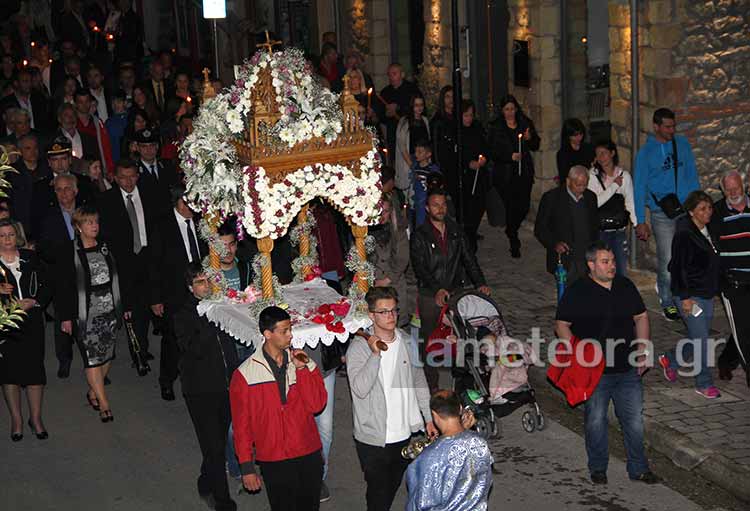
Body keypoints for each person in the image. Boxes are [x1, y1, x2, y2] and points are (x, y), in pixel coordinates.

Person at [555, 240, 658, 485]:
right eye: (605, 261)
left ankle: (639, 469)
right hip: (595, 372)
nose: (611, 266)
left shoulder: (625, 286)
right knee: (596, 420)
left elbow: (641, 316)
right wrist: (579, 353)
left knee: (633, 421)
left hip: (627, 368)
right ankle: (598, 468)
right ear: (591, 265)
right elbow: (561, 325)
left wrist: (643, 348)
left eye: (612, 261)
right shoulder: (578, 290)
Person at [347, 286, 436, 511]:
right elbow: (359, 389)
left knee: (394, 484)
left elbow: (418, 381)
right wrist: (375, 355)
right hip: (373, 437)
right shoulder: (358, 349)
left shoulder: (406, 341)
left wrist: (428, 418)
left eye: (393, 310)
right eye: (383, 312)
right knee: (378, 493)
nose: (390, 316)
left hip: (404, 433)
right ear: (371, 315)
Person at [230, 306, 327, 510]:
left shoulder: (304, 364)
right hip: (273, 458)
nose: (291, 336)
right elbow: (241, 426)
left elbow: (316, 405)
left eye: (290, 329)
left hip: (307, 451)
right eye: (284, 331)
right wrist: (247, 467)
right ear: (268, 334)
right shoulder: (245, 375)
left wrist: (303, 370)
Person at [173, 263, 239, 511]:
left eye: (207, 280)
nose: (206, 285)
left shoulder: (219, 306)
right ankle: (222, 500)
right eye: (200, 282)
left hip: (226, 386)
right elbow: (193, 348)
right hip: (200, 390)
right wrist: (210, 317)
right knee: (212, 445)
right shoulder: (183, 315)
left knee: (218, 442)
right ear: (190, 288)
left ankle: (205, 478)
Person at [410, 189, 490, 393]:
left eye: (443, 204)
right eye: (435, 205)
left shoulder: (456, 231)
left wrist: (480, 282)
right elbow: (420, 268)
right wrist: (436, 289)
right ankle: (432, 386)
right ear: (427, 208)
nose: (440, 208)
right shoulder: (420, 235)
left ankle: (463, 383)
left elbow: (469, 259)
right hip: (430, 294)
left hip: (455, 292)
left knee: (462, 337)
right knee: (429, 339)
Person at [57, 205, 126, 423]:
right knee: (92, 359)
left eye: (96, 221)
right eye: (88, 222)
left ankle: (93, 391)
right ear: (78, 226)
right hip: (85, 314)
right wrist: (66, 317)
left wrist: (123, 306)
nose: (94, 226)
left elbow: (119, 275)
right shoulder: (69, 251)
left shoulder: (106, 246)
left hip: (109, 309)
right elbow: (63, 287)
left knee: (107, 355)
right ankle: (104, 404)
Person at [633, 108, 700, 321]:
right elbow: (639, 187)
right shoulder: (645, 154)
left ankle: (684, 294)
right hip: (662, 213)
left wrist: (697, 206)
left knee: (688, 256)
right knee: (668, 259)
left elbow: (692, 174)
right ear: (656, 127)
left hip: (685, 209)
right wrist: (640, 221)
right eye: (667, 127)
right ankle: (666, 299)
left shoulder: (681, 144)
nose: (672, 130)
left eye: (673, 126)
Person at [657, 191, 722, 399]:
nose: (708, 212)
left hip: (706, 292)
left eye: (709, 208)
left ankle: (671, 359)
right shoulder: (684, 233)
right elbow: (678, 268)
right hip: (689, 294)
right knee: (702, 340)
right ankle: (704, 383)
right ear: (692, 211)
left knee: (697, 337)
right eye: (702, 209)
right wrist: (684, 298)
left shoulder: (709, 228)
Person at [98, 159, 159, 376]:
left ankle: (142, 347)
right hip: (123, 262)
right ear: (114, 178)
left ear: (138, 175)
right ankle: (139, 352)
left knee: (149, 304)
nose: (128, 182)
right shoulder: (106, 200)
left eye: (132, 176)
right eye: (122, 177)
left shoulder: (150, 195)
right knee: (132, 309)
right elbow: (104, 235)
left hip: (148, 258)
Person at [148, 184, 208, 400]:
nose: (194, 207)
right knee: (172, 339)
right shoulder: (162, 226)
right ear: (178, 202)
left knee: (199, 334)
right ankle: (167, 380)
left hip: (202, 289)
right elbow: (153, 264)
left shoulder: (202, 222)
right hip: (174, 292)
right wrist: (155, 298)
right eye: (189, 202)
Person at [0, 219, 52, 441]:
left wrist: (36, 302)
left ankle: (36, 418)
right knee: (9, 373)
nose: (7, 239)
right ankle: (17, 420)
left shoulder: (30, 257)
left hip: (31, 322)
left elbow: (48, 284)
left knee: (34, 372)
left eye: (10, 234)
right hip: (6, 323)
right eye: (2, 235)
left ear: (17, 235)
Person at [405, 390, 493, 511]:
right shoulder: (480, 443)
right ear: (460, 408)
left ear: (434, 414)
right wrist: (464, 429)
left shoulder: (429, 458)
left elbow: (420, 501)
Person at [488, 94, 540, 258]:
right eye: (506, 110)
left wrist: (530, 139)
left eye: (512, 109)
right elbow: (492, 150)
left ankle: (511, 229)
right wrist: (509, 156)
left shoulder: (524, 123)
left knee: (523, 206)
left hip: (523, 171)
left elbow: (535, 144)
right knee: (511, 206)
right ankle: (513, 240)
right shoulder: (496, 127)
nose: (510, 113)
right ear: (502, 111)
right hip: (505, 174)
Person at [711, 171, 750, 387]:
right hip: (733, 280)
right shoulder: (717, 212)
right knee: (743, 330)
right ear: (723, 190)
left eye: (737, 187)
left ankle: (726, 361)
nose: (734, 192)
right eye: (729, 189)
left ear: (744, 185)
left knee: (745, 327)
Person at [535, 165, 599, 286]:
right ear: (568, 181)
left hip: (586, 258)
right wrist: (554, 243)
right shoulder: (552, 198)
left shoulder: (591, 197)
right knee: (567, 297)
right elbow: (540, 229)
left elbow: (594, 227)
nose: (581, 188)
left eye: (584, 185)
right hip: (565, 259)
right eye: (578, 185)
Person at [587, 140, 636, 276]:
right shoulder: (593, 176)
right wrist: (614, 186)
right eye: (598, 154)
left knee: (620, 268)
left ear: (612, 153)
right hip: (601, 231)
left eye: (604, 153)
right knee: (602, 270)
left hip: (619, 230)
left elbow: (630, 202)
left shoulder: (624, 176)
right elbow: (594, 202)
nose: (601, 157)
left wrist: (637, 223)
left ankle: (619, 295)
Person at [371, 195, 410, 327]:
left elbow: (403, 259)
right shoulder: (364, 231)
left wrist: (387, 280)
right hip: (373, 284)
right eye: (379, 211)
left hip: (394, 283)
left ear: (391, 211)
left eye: (386, 211)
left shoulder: (398, 230)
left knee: (395, 324)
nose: (382, 215)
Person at [458, 100, 489, 253]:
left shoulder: (477, 128)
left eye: (471, 115)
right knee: (469, 209)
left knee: (480, 205)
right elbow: (456, 154)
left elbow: (485, 147)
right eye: (466, 115)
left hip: (479, 175)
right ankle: (469, 240)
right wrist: (468, 163)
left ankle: (472, 232)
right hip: (466, 177)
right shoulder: (457, 131)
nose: (469, 118)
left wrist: (483, 159)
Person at [380, 63, 421, 160]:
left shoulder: (412, 89)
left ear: (402, 75)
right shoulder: (385, 92)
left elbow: (418, 108)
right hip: (393, 133)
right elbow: (381, 116)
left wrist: (398, 107)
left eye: (394, 74)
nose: (391, 77)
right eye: (389, 74)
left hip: (409, 130)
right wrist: (386, 114)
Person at [395, 93, 430, 195]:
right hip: (410, 160)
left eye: (421, 105)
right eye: (416, 105)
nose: (419, 108)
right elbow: (402, 146)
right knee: (411, 192)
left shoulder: (425, 120)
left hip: (423, 159)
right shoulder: (404, 121)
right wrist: (411, 164)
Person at [430, 85, 458, 205]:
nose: (450, 100)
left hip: (457, 162)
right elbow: (435, 145)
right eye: (447, 97)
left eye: (452, 96)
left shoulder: (458, 117)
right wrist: (438, 167)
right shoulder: (438, 120)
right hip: (444, 163)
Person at [410, 138, 440, 228]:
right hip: (417, 203)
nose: (416, 154)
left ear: (428, 154)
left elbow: (437, 185)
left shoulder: (432, 170)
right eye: (416, 151)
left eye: (420, 152)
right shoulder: (415, 167)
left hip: (428, 202)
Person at [556, 118, 594, 183]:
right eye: (575, 135)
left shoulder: (588, 148)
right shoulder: (563, 153)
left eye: (581, 134)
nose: (579, 138)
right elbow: (564, 176)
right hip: (573, 185)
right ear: (568, 136)